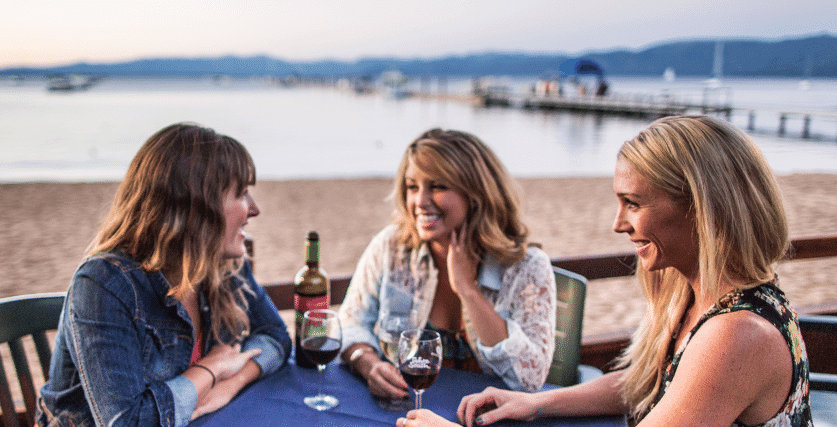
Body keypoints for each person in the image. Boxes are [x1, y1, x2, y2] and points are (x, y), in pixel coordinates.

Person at [398, 115, 812, 427]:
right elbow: (647, 380)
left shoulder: (736, 335)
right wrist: (537, 403)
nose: (618, 224)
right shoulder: (688, 289)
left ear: (702, 208)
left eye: (633, 203)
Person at [37, 123, 291, 427]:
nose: (254, 208)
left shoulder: (221, 264)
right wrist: (210, 369)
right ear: (197, 208)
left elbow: (276, 336)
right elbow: (127, 422)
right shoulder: (105, 284)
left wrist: (228, 385)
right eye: (241, 194)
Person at [337, 128, 557, 402]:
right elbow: (350, 321)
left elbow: (530, 378)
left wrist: (467, 290)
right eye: (412, 187)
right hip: (405, 410)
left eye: (438, 186)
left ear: (476, 194)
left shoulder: (526, 267)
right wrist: (367, 362)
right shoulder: (391, 247)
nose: (420, 201)